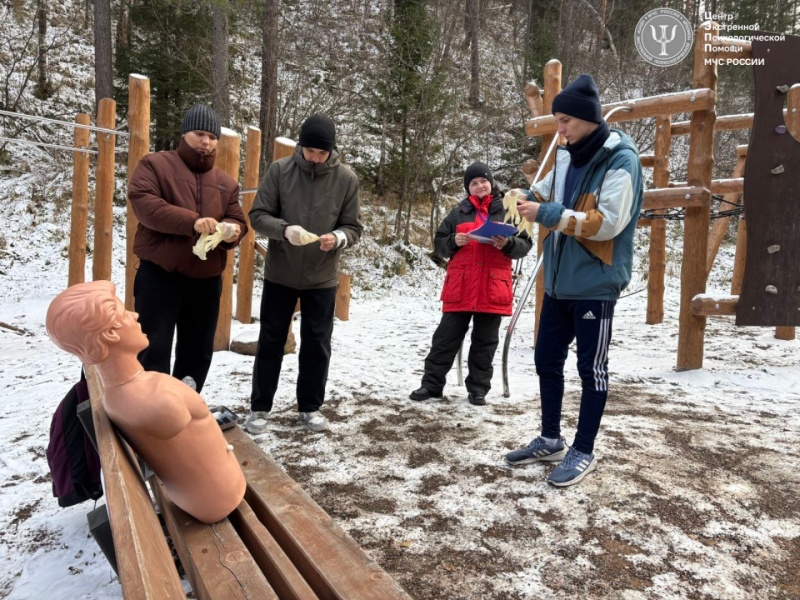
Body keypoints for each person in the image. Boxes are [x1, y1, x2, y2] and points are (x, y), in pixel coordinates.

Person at [505, 74, 644, 487]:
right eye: (557, 120)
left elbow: (608, 224)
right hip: (560, 281)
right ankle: (551, 439)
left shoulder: (621, 160)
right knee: (546, 359)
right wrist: (520, 198)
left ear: (586, 118)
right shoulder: (566, 154)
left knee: (591, 369)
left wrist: (547, 214)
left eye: (565, 120)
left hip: (595, 283)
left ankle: (583, 450)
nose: (559, 129)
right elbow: (543, 193)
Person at [46, 281, 246, 524]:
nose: (135, 314)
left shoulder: (125, 393)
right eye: (123, 313)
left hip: (205, 495)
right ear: (110, 333)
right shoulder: (154, 399)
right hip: (215, 499)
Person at [246, 114, 362, 434]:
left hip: (321, 277)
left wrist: (337, 238)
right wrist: (285, 231)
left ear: (331, 151)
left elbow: (353, 228)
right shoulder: (280, 171)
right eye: (309, 151)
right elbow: (258, 215)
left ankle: (310, 407)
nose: (314, 157)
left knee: (317, 344)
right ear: (300, 146)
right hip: (280, 272)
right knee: (270, 340)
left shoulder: (346, 179)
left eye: (321, 153)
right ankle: (260, 407)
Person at [128, 104, 247, 393]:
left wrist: (233, 231)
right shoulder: (154, 164)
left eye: (212, 136)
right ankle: (148, 407)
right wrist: (193, 222)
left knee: (198, 348)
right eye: (199, 134)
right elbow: (145, 205)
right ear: (185, 134)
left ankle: (185, 403)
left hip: (205, 281)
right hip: (160, 275)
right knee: (152, 345)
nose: (206, 141)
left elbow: (237, 219)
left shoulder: (226, 183)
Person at [409, 162, 533, 406]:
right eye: (474, 183)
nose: (479, 186)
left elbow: (525, 245)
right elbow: (440, 244)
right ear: (468, 188)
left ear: (491, 183)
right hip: (461, 286)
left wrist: (507, 244)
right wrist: (454, 240)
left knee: (485, 343)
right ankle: (431, 385)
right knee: (445, 339)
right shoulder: (458, 212)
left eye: (483, 181)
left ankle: (478, 389)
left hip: (492, 287)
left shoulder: (509, 210)